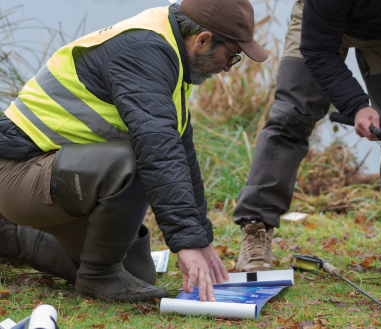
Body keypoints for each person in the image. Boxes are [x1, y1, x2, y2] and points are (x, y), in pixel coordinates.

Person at [0, 0, 268, 302]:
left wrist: (200, 238)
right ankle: (96, 276)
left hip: (60, 178)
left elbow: (179, 151)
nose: (227, 68)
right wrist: (185, 245)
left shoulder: (174, 53)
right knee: (134, 161)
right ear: (203, 40)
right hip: (19, 171)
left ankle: (11, 236)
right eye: (231, 56)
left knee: (137, 275)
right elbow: (157, 151)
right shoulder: (144, 52)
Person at [233, 0, 381, 274]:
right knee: (291, 117)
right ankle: (255, 230)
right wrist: (357, 105)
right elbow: (318, 50)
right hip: (321, 25)